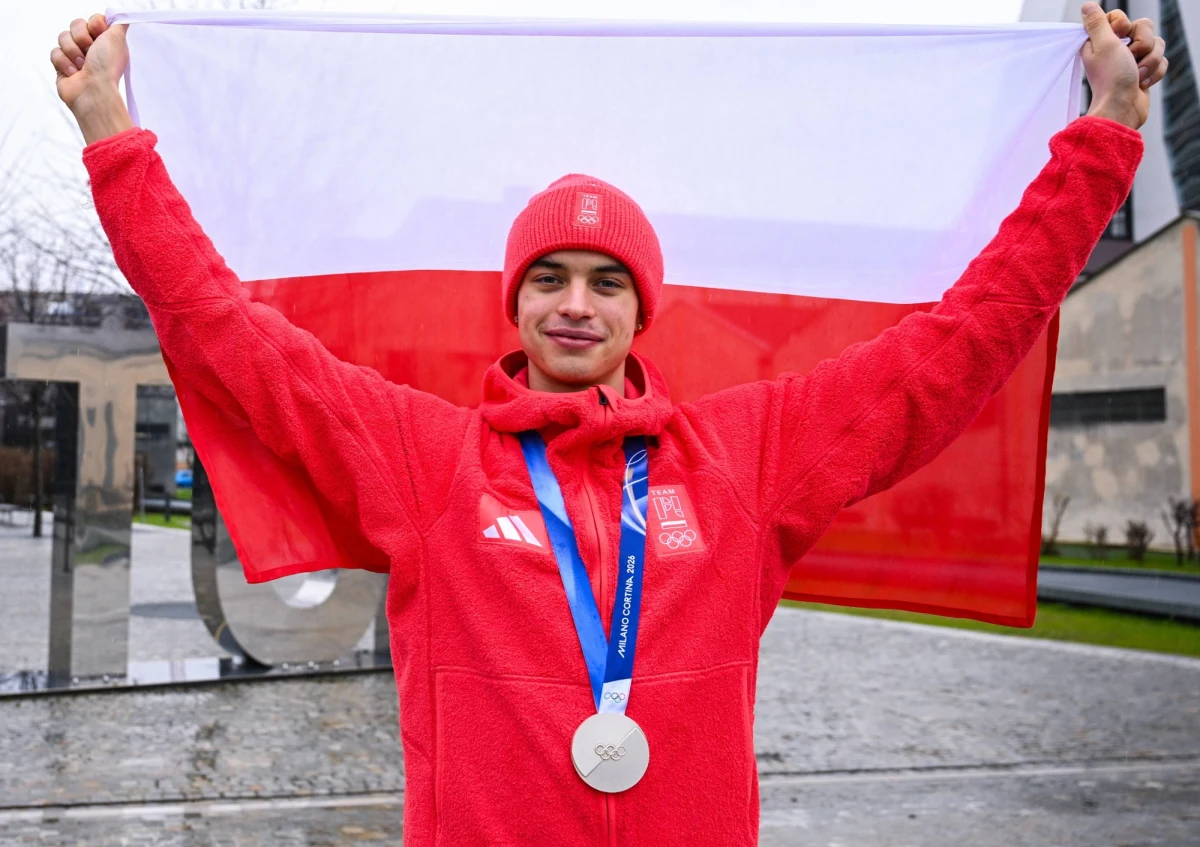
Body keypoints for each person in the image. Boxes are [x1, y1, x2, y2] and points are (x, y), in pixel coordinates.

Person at [51, 5, 1166, 845]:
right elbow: (228, 334)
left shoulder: (745, 456)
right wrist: (111, 130)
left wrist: (1106, 133)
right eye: (548, 277)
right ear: (516, 301)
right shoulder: (428, 460)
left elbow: (964, 338)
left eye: (605, 281)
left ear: (642, 310)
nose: (575, 303)